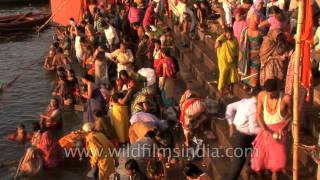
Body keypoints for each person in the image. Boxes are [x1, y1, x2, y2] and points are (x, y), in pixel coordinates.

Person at [251, 79, 291, 180]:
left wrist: (283, 128)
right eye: (268, 94)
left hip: (279, 134)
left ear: (278, 89)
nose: (270, 96)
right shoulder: (262, 95)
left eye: (272, 94)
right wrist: (265, 130)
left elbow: (292, 115)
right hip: (265, 131)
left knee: (276, 167)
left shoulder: (286, 98)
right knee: (258, 162)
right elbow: (258, 115)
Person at [225, 88, 260, 180]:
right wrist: (267, 131)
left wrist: (230, 125)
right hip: (243, 137)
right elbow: (253, 129)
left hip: (240, 135)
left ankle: (250, 170)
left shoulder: (244, 101)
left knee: (252, 154)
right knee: (237, 164)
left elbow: (229, 107)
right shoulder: (254, 107)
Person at [239, 5, 264, 91]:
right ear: (249, 21)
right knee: (245, 71)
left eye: (256, 22)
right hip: (246, 55)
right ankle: (245, 84)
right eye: (252, 21)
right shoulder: (245, 31)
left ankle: (253, 87)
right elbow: (241, 43)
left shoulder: (260, 33)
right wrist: (241, 55)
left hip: (256, 57)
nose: (254, 23)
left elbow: (263, 45)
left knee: (254, 72)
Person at [215, 28, 239, 96]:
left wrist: (237, 61)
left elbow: (237, 51)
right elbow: (216, 46)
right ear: (225, 34)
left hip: (232, 61)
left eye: (231, 35)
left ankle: (230, 90)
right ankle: (220, 91)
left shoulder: (235, 40)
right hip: (223, 62)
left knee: (232, 77)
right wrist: (220, 41)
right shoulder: (221, 39)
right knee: (222, 76)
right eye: (228, 35)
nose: (229, 36)